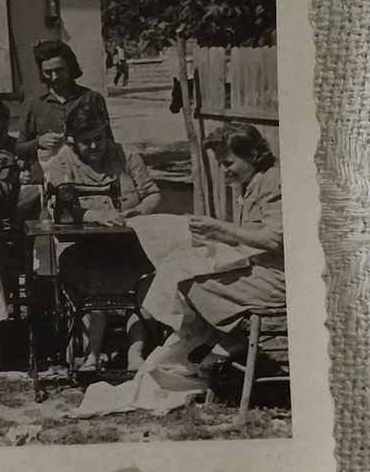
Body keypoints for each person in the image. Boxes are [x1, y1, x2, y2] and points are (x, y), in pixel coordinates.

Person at [42, 99, 162, 372]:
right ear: (73, 141)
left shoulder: (126, 157)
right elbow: (60, 207)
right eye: (86, 142)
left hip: (130, 247)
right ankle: (92, 355)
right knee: (92, 288)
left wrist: (139, 211)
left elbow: (153, 193)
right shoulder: (63, 163)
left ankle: (135, 355)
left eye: (98, 139)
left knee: (149, 282)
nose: (94, 147)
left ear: (106, 131)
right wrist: (91, 215)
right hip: (85, 250)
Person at [180, 123, 285, 372]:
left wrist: (220, 228)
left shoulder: (273, 182)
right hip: (260, 270)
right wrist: (210, 235)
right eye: (220, 165)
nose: (224, 171)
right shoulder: (251, 185)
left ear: (251, 155)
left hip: (279, 278)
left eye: (228, 163)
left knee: (191, 285)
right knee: (184, 270)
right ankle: (221, 341)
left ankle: (231, 341)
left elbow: (274, 240)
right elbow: (248, 237)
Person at [14, 40, 109, 223]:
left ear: (71, 67)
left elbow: (108, 141)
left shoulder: (91, 98)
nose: (54, 77)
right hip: (46, 178)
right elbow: (19, 148)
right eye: (48, 72)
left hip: (86, 179)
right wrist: (38, 143)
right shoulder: (35, 104)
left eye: (59, 70)